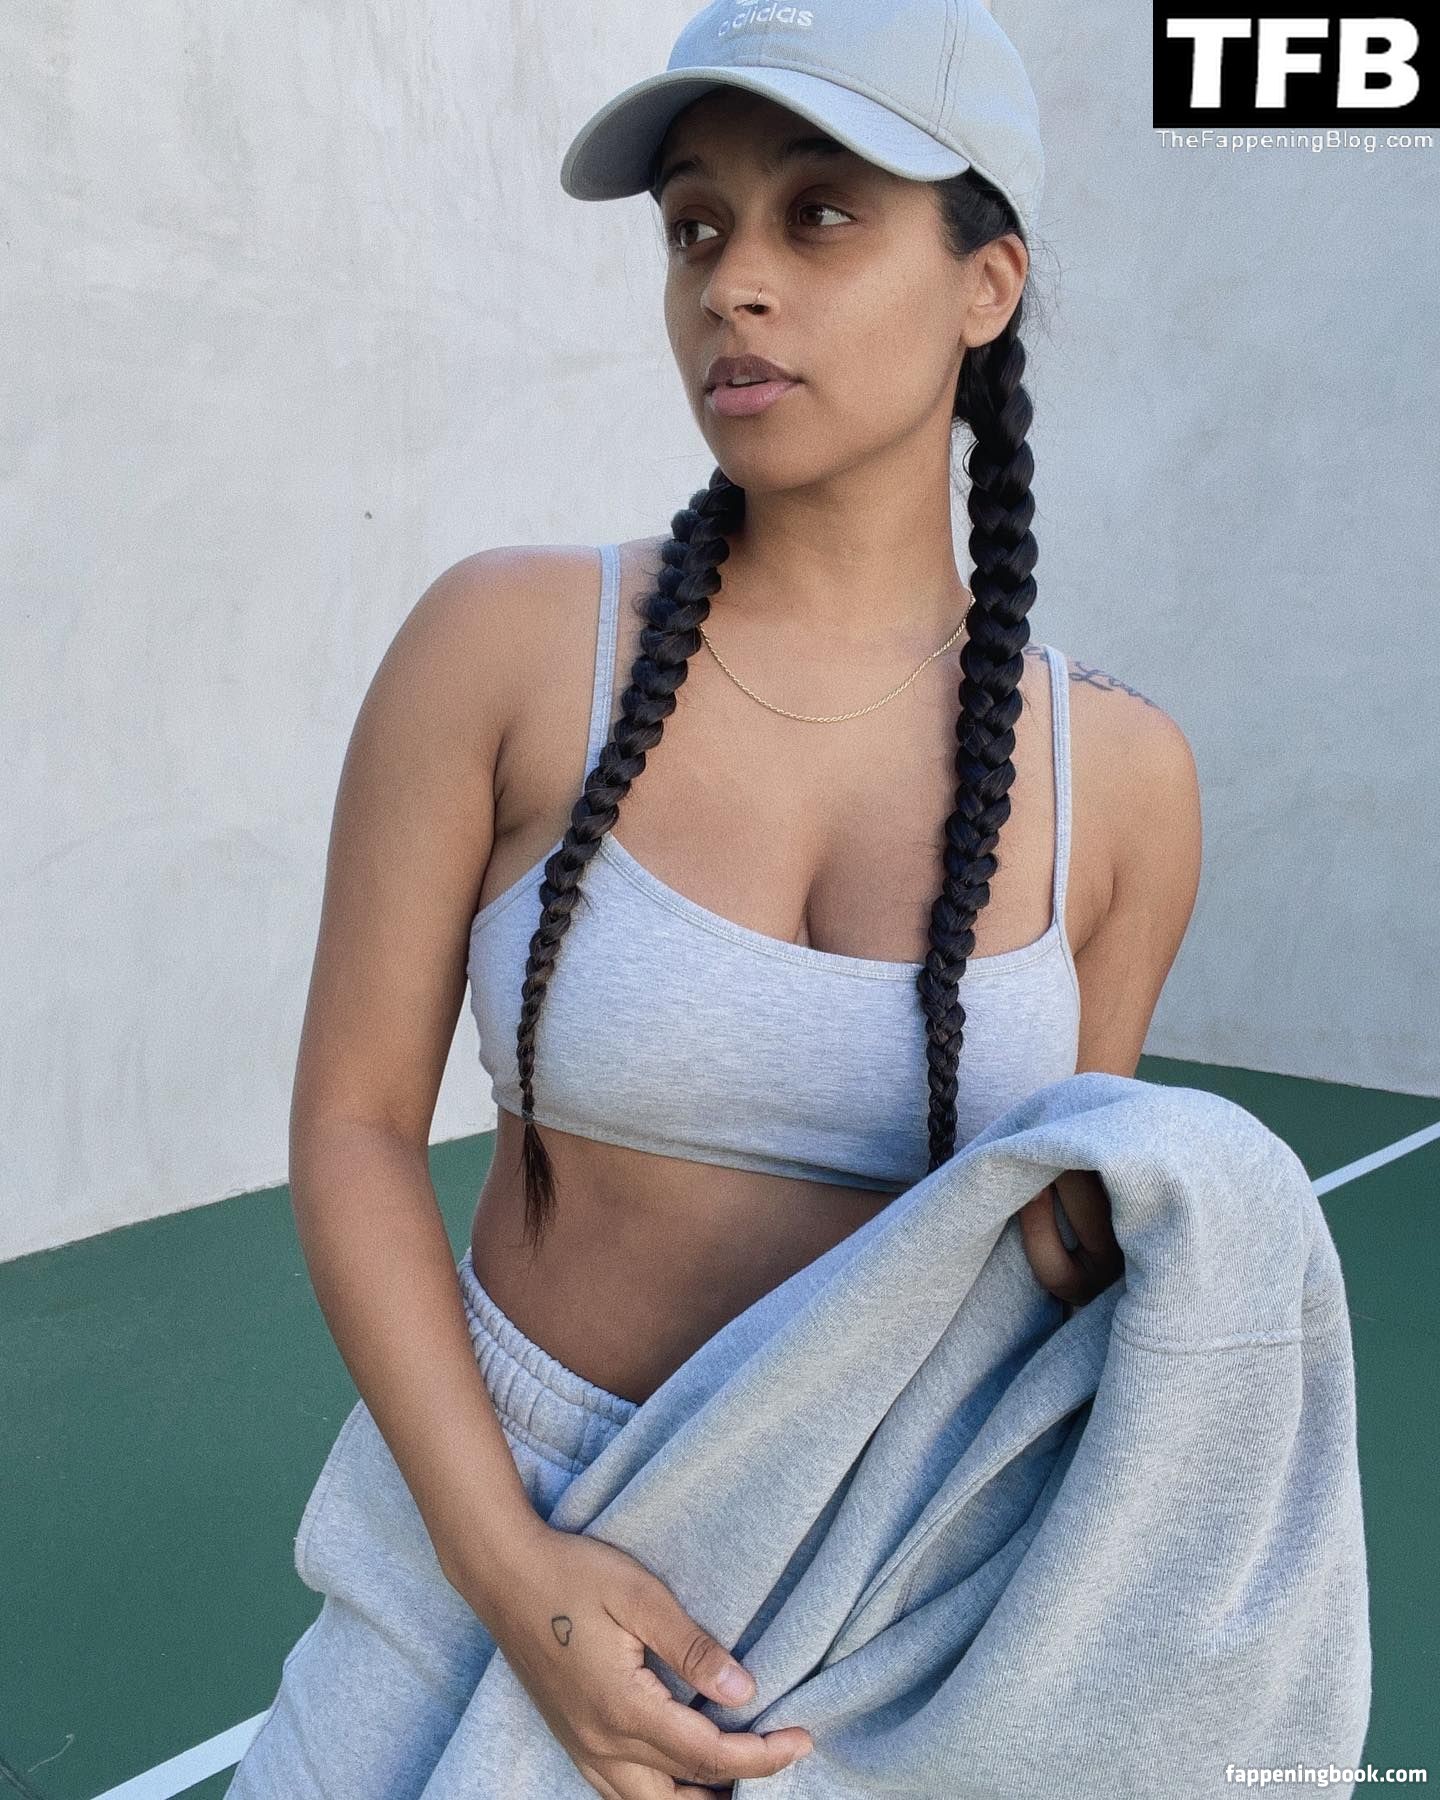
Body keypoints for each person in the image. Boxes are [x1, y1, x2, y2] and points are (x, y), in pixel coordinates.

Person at [229, 1, 1201, 1795]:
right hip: (472, 1548)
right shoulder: (507, 647)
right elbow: (354, 1126)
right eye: (695, 226)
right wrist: (512, 1572)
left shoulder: (1121, 781)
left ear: (986, 285)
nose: (732, 284)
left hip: (859, 1612)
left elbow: (1046, 1255)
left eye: (819, 214)